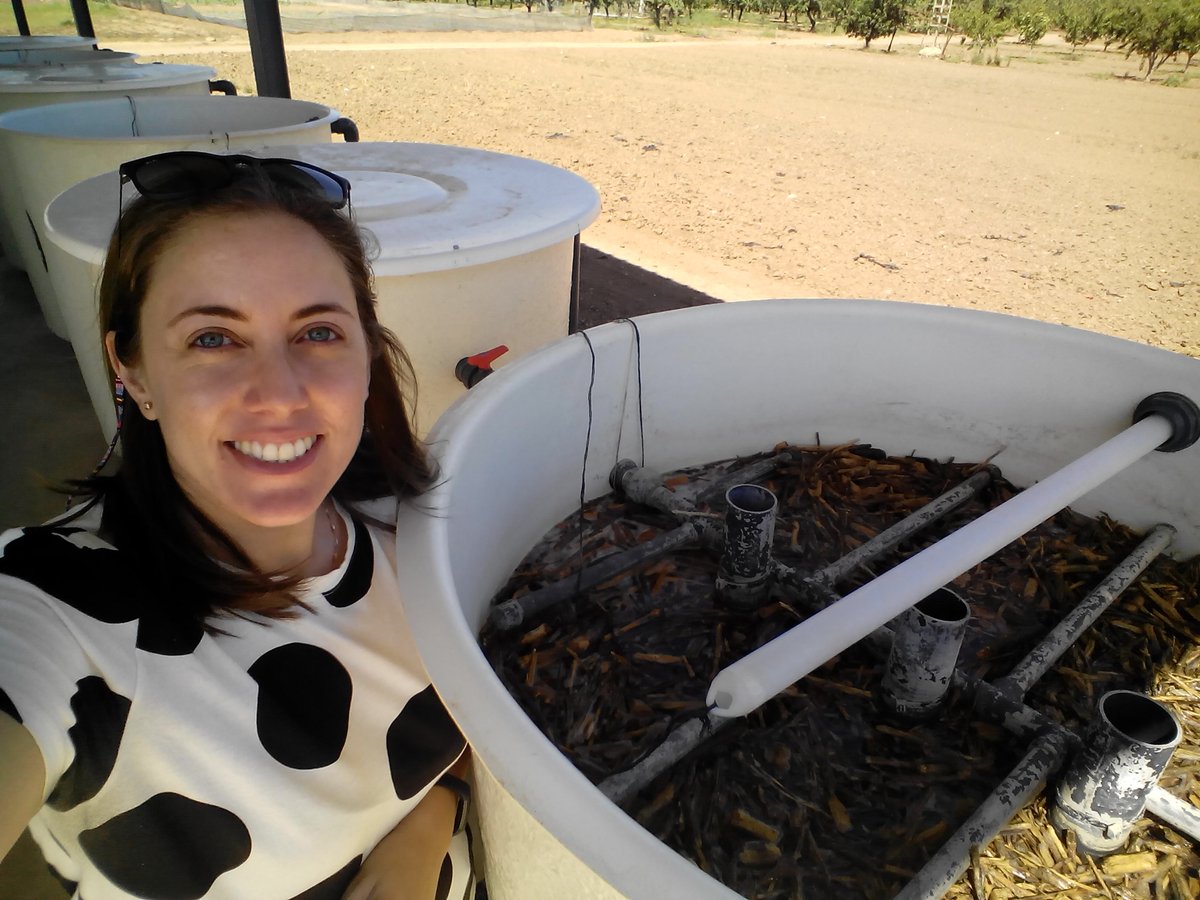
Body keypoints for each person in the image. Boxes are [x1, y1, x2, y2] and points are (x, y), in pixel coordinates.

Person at [0, 152, 474, 900]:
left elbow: (490, 712)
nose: (279, 394)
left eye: (317, 332)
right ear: (133, 371)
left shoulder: (424, 530)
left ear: (366, 350)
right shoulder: (55, 606)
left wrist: (433, 812)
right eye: (213, 338)